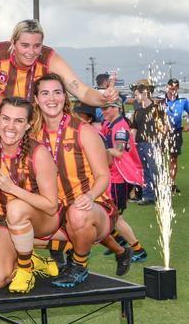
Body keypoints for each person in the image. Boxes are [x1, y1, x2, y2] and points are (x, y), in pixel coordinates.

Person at [31, 74, 130, 287]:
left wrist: (90, 195)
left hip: (91, 206)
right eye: (45, 93)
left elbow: (103, 175)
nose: (52, 98)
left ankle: (79, 265)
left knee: (78, 213)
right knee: (15, 226)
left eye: (57, 92)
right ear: (36, 99)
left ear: (65, 97)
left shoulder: (82, 130)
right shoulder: (32, 134)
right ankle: (109, 250)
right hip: (56, 210)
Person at [0, 97, 59, 293]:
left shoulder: (38, 153)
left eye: (19, 121)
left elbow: (51, 205)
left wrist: (12, 189)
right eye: (6, 118)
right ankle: (33, 258)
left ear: (29, 125)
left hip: (42, 217)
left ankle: (25, 268)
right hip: (2, 219)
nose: (10, 126)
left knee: (15, 208)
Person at [0, 20, 119, 106]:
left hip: (35, 128)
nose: (31, 52)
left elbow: (82, 91)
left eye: (37, 46)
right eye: (25, 45)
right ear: (13, 42)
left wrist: (103, 97)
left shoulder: (49, 58)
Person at [100, 101, 148, 263]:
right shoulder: (110, 124)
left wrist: (96, 150)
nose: (103, 111)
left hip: (119, 178)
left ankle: (138, 249)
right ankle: (117, 239)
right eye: (101, 108)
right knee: (106, 212)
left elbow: (118, 152)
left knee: (114, 217)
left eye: (106, 107)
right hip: (112, 176)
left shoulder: (120, 126)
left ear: (116, 108)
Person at [131, 82, 170, 204]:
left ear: (144, 93)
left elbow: (166, 127)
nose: (135, 97)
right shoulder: (138, 111)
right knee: (145, 171)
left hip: (153, 144)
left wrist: (160, 142)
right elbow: (134, 128)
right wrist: (133, 143)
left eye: (137, 94)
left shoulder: (157, 109)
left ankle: (162, 195)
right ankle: (148, 196)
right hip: (140, 144)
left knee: (156, 169)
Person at [163, 78, 189, 192]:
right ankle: (160, 181)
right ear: (167, 87)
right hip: (161, 133)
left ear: (178, 88)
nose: (173, 90)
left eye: (175, 88)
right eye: (171, 88)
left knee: (173, 158)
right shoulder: (160, 100)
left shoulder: (183, 101)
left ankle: (171, 183)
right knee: (159, 157)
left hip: (176, 132)